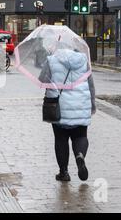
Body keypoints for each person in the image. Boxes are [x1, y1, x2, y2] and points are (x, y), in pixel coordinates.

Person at [40, 49, 96, 182]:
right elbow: (91, 85)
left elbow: (43, 80)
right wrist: (92, 105)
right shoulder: (83, 60)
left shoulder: (52, 60)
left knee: (60, 139)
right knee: (80, 136)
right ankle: (80, 156)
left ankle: (63, 173)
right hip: (81, 104)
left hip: (59, 105)